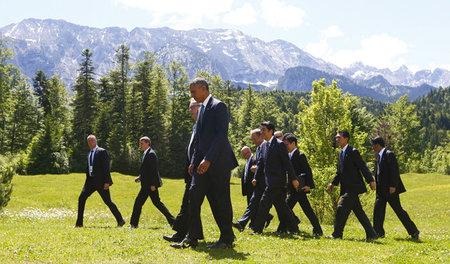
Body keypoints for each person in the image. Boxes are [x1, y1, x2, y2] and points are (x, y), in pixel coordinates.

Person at [172, 78, 238, 249]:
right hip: (201, 165)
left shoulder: (219, 106)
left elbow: (221, 136)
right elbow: (199, 140)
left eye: (193, 92)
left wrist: (208, 159)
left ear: (203, 89)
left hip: (218, 163)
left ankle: (226, 239)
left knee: (220, 201)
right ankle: (192, 237)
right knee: (193, 196)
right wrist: (194, 162)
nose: (192, 95)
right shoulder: (200, 111)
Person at [164, 99, 204, 242]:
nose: (190, 111)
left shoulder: (203, 125)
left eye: (191, 108)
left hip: (202, 171)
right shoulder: (196, 126)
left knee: (195, 203)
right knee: (188, 203)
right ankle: (183, 234)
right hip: (193, 172)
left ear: (199, 108)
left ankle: (227, 235)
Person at [327, 130, 378, 241]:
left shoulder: (353, 151)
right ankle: (372, 234)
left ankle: (337, 234)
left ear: (346, 139)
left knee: (341, 209)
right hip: (346, 188)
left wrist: (371, 180)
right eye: (336, 137)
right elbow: (339, 172)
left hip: (353, 187)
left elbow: (362, 166)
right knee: (359, 212)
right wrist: (333, 183)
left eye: (339, 137)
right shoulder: (340, 153)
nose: (337, 139)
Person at [250, 122, 300, 235]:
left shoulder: (279, 144)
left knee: (263, 203)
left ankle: (257, 230)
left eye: (263, 130)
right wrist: (255, 177)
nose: (261, 132)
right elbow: (261, 163)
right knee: (282, 206)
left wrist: (293, 178)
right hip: (269, 181)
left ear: (271, 131)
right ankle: (294, 228)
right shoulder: (263, 145)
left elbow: (287, 163)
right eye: (260, 129)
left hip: (277, 181)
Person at [371, 136, 419, 239]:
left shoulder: (389, 155)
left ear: (378, 145)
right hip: (381, 191)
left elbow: (394, 172)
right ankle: (378, 233)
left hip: (390, 190)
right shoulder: (379, 156)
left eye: (373, 146)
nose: (373, 148)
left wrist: (393, 186)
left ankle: (414, 231)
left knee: (398, 211)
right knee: (378, 211)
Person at [277, 133, 323, 236]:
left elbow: (308, 171)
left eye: (286, 144)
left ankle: (282, 229)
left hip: (300, 188)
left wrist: (309, 185)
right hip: (294, 189)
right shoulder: (288, 155)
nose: (285, 147)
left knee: (285, 207)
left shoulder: (300, 155)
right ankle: (318, 230)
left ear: (293, 143)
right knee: (307, 210)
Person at [75, 135, 125, 227]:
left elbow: (106, 167)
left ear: (96, 141)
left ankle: (120, 220)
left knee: (108, 201)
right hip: (90, 182)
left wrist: (107, 182)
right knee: (81, 198)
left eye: (92, 141)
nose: (90, 143)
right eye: (88, 141)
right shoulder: (89, 153)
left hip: (101, 182)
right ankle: (79, 223)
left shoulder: (102, 152)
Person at [232, 129, 273, 232]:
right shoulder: (259, 148)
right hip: (258, 183)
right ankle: (244, 223)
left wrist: (257, 171)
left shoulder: (266, 147)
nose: (253, 141)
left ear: (261, 137)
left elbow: (268, 165)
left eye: (254, 138)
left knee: (278, 206)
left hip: (266, 182)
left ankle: (292, 224)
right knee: (254, 204)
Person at [129, 136, 175, 228]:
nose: (140, 145)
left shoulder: (151, 154)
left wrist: (154, 185)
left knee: (139, 203)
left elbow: (154, 171)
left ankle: (133, 224)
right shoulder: (146, 153)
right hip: (147, 184)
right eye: (140, 143)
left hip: (149, 185)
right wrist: (140, 177)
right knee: (157, 203)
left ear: (147, 143)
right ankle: (173, 221)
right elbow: (147, 170)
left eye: (142, 143)